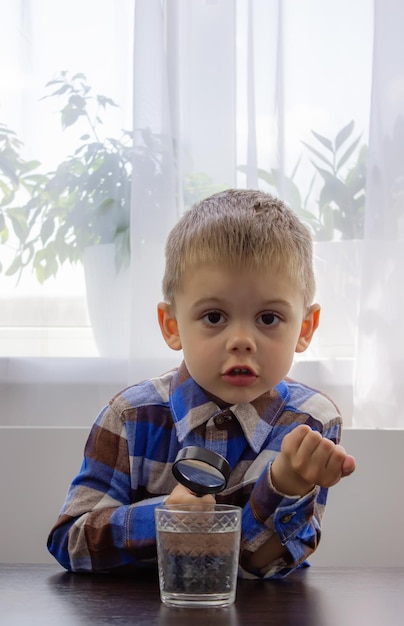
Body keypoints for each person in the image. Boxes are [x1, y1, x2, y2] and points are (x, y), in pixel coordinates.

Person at [47, 188, 355, 578]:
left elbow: (258, 569)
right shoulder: (130, 416)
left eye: (268, 318)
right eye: (214, 317)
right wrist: (162, 519)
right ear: (172, 326)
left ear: (304, 328)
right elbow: (69, 543)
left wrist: (287, 483)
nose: (241, 340)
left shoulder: (309, 423)